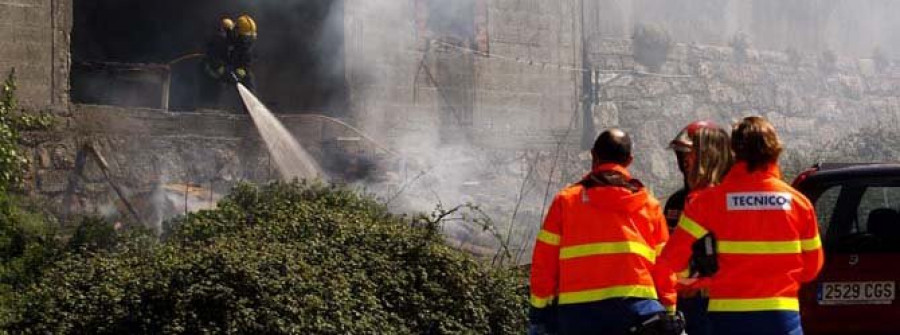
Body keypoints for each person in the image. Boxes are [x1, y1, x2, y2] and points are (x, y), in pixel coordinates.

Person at [659, 116, 824, 334]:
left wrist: (694, 284)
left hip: (727, 317)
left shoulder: (709, 201)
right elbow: (812, 268)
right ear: (775, 151)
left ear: (735, 152)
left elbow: (671, 259)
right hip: (781, 317)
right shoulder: (798, 203)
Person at [529, 129, 681, 335]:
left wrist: (539, 315)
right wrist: (669, 310)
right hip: (638, 314)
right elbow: (665, 265)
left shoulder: (566, 202)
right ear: (629, 161)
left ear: (594, 156)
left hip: (577, 316)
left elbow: (544, 263)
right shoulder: (648, 204)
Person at [664, 122, 734, 335]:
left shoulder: (730, 201)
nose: (684, 162)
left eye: (689, 155)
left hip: (724, 304)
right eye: (681, 155)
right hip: (686, 306)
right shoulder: (677, 202)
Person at [199, 14, 257, 109]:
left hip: (232, 69)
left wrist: (239, 73)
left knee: (248, 78)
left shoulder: (246, 47)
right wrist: (222, 69)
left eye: (248, 38)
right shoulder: (222, 38)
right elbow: (212, 56)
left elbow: (246, 64)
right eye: (244, 38)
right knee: (211, 77)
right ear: (236, 32)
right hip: (215, 68)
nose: (246, 41)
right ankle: (208, 105)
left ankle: (251, 108)